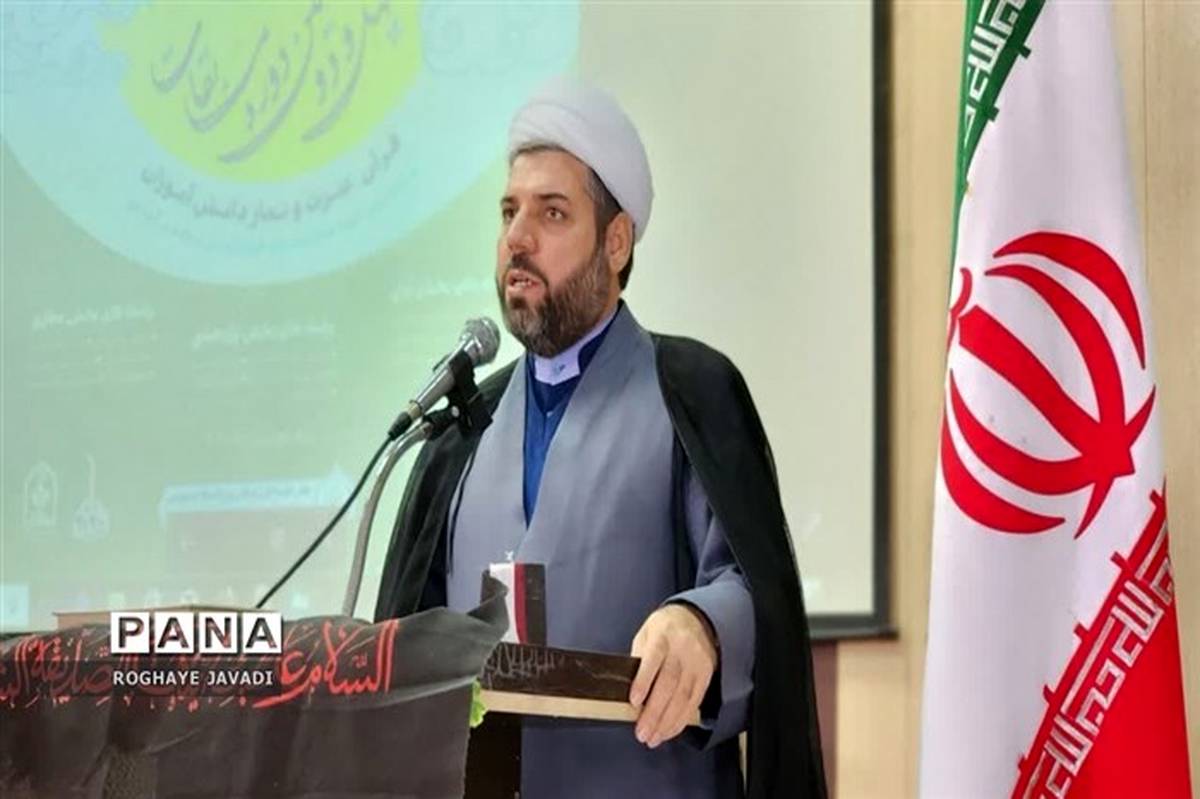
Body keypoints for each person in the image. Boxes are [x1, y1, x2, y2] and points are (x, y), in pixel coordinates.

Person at [375, 76, 825, 799]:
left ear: (616, 242)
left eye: (552, 213)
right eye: (509, 212)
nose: (518, 239)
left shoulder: (687, 393)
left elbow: (751, 586)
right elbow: (405, 649)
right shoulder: (463, 431)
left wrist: (701, 625)